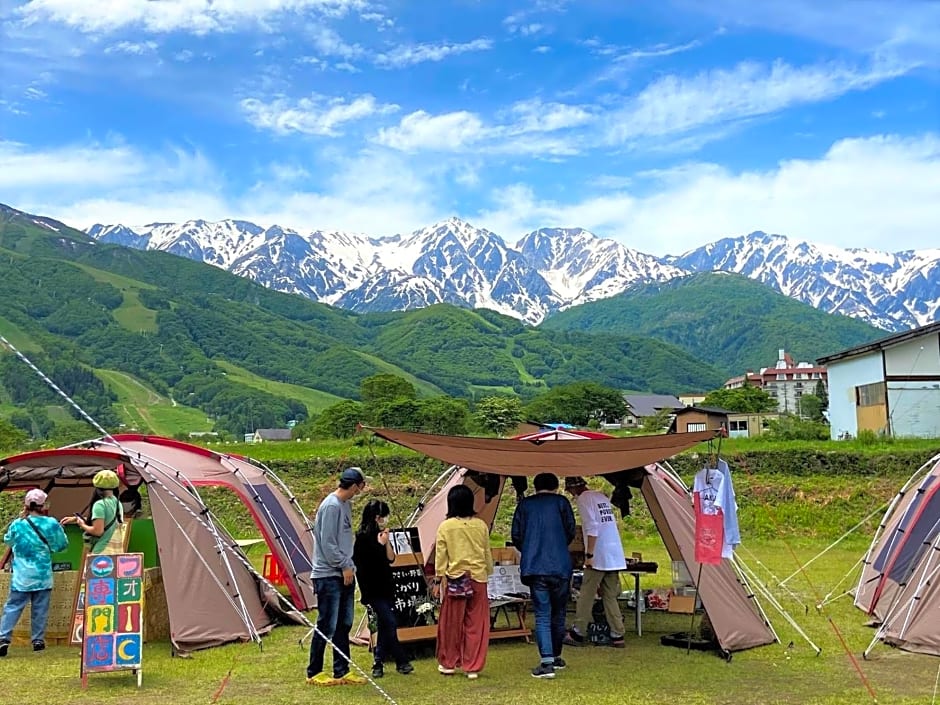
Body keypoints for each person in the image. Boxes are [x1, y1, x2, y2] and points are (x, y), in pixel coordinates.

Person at [307, 467, 369, 686]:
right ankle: (314, 671)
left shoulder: (346, 505)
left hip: (345, 571)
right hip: (328, 574)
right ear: (354, 485)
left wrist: (349, 565)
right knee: (327, 623)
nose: (363, 489)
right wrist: (344, 565)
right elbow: (328, 543)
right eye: (362, 485)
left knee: (344, 623)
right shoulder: (331, 506)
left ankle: (341, 670)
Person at [511, 473, 576, 679]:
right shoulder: (562, 502)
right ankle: (556, 656)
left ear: (535, 486)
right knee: (559, 612)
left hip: (535, 567)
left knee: (542, 614)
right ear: (556, 486)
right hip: (560, 566)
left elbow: (516, 535)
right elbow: (571, 531)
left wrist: (530, 549)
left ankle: (546, 661)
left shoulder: (525, 505)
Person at [433, 484, 493, 679]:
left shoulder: (446, 526)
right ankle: (472, 666)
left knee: (451, 623)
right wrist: (487, 572)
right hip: (478, 577)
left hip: (456, 579)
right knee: (476, 623)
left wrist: (437, 579)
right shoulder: (481, 525)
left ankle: (449, 663)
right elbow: (486, 553)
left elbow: (441, 555)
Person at [0, 489, 69, 656]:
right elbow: (62, 545)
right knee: (40, 608)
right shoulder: (51, 523)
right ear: (43, 505)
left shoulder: (17, 524)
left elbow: (8, 540)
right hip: (42, 574)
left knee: (13, 607)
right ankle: (38, 640)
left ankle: (3, 638)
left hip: (21, 576)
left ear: (26, 505)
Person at [352, 499, 414, 679]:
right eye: (383, 517)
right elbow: (364, 564)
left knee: (384, 624)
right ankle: (401, 660)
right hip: (373, 589)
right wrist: (378, 545)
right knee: (390, 622)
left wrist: (386, 542)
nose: (385, 520)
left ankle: (378, 662)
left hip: (387, 587)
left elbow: (391, 558)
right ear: (377, 517)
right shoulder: (362, 538)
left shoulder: (382, 535)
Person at [564, 476, 627, 648]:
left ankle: (578, 631)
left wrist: (589, 554)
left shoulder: (584, 499)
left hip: (599, 552)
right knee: (610, 595)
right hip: (614, 553)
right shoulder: (601, 496)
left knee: (586, 593)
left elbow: (592, 527)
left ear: (574, 489)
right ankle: (617, 633)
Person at [60, 469, 123, 554]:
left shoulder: (100, 504)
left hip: (102, 552)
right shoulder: (117, 503)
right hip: (116, 551)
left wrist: (82, 524)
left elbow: (98, 531)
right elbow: (104, 520)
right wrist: (76, 518)